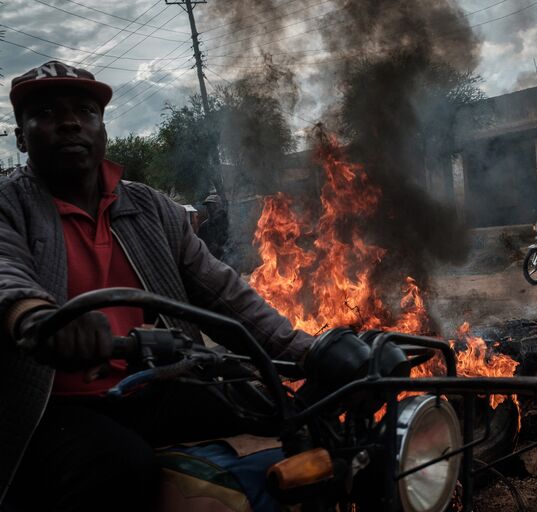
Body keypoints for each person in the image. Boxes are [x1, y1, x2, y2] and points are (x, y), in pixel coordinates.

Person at [0, 61, 314, 512]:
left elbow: (223, 293)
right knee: (123, 468)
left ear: (102, 128)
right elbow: (5, 274)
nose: (70, 122)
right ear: (20, 136)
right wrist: (37, 316)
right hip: (50, 409)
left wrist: (304, 351)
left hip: (150, 385)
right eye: (47, 112)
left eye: (85, 111)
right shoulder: (10, 206)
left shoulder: (150, 207)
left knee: (283, 411)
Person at [197, 193, 229, 260]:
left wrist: (220, 248)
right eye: (208, 206)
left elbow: (235, 241)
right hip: (211, 261)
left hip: (229, 259)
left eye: (212, 206)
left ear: (219, 206)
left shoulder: (228, 222)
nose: (209, 209)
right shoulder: (204, 226)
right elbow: (200, 246)